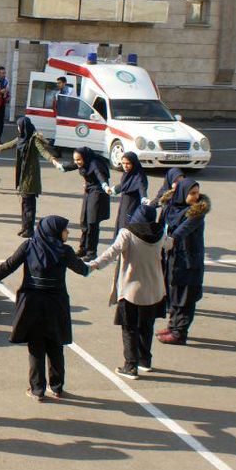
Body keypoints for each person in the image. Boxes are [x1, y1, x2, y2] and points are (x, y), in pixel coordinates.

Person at [0, 215, 91, 401]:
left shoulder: (29, 246)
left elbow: (7, 266)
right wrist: (93, 266)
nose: (68, 232)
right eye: (65, 229)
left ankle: (37, 389)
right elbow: (83, 270)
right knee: (55, 346)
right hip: (56, 305)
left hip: (32, 304)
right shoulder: (64, 251)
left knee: (36, 346)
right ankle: (57, 387)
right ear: (55, 231)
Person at [87, 203, 167, 378]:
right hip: (154, 290)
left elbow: (111, 253)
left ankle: (130, 365)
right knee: (147, 325)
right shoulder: (160, 233)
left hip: (131, 290)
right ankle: (145, 360)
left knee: (129, 327)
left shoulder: (127, 233)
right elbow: (170, 245)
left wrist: (93, 265)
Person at [158, 179, 209, 346]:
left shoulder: (196, 214)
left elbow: (180, 232)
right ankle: (172, 326)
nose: (195, 197)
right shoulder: (172, 208)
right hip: (175, 258)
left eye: (196, 193)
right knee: (174, 293)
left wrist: (164, 242)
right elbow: (161, 225)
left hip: (189, 262)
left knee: (185, 298)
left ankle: (180, 333)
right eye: (192, 193)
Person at [0, 116, 57, 237]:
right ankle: (24, 227)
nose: (18, 128)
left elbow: (43, 151)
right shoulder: (21, 138)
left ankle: (29, 229)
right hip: (22, 174)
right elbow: (9, 144)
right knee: (24, 203)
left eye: (19, 126)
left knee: (29, 204)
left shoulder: (34, 139)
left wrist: (52, 160)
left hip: (30, 176)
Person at [53, 147, 111, 261]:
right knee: (84, 221)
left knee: (92, 223)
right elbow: (71, 166)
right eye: (75, 159)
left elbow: (100, 176)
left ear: (84, 157)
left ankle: (91, 252)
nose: (77, 162)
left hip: (98, 192)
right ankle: (83, 249)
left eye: (79, 160)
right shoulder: (83, 161)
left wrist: (105, 186)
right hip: (89, 191)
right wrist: (58, 164)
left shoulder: (95, 164)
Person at [110, 151, 149, 230]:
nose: (125, 166)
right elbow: (125, 185)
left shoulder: (139, 176)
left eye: (128, 163)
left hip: (132, 207)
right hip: (124, 205)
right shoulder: (128, 174)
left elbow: (141, 188)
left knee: (126, 228)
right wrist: (113, 190)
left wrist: (144, 198)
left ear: (133, 163)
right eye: (123, 163)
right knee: (120, 224)